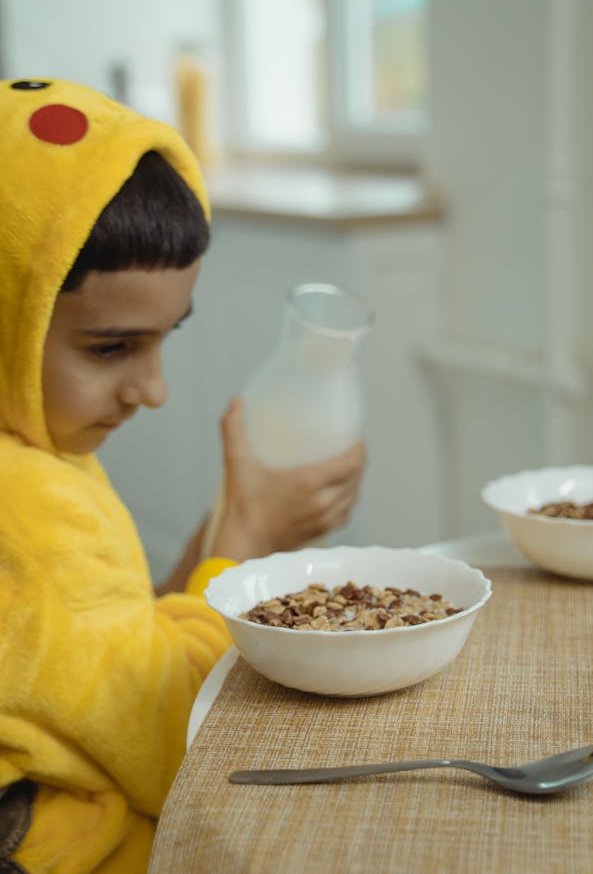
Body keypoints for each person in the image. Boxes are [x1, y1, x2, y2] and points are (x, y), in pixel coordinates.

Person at [0, 77, 366, 872]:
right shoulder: (28, 508)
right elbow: (182, 747)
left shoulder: (34, 459)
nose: (153, 389)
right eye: (110, 347)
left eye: (165, 338)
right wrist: (246, 545)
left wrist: (220, 528)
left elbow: (110, 640)